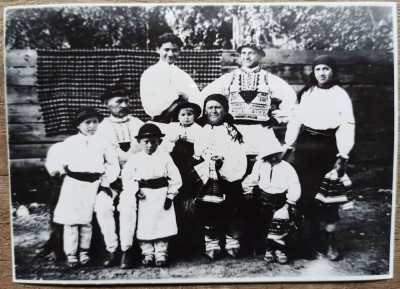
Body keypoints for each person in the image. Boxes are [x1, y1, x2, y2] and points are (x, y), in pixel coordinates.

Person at [284, 55, 356, 260]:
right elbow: (295, 120)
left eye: (326, 69)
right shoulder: (307, 93)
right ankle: (313, 238)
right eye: (318, 69)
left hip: (328, 146)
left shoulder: (340, 95)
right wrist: (288, 146)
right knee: (306, 193)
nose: (322, 73)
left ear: (333, 71)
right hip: (306, 145)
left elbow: (347, 125)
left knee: (329, 193)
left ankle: (330, 240)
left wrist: (342, 154)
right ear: (313, 72)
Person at [45, 107, 120, 268]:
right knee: (71, 221)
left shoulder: (103, 144)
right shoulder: (70, 143)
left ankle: (84, 252)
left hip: (94, 185)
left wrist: (105, 182)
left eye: (95, 122)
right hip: (73, 185)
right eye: (87, 123)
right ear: (78, 125)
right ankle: (71, 254)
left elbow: (113, 165)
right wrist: (57, 169)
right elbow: (57, 158)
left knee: (86, 221)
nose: (92, 126)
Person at [201, 40, 296, 160]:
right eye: (243, 53)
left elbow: (290, 98)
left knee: (265, 164)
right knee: (232, 164)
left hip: (261, 130)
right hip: (235, 129)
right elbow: (206, 94)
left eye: (251, 53)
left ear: (260, 55)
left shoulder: (268, 78)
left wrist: (278, 118)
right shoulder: (230, 78)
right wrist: (217, 116)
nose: (246, 56)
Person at [94, 84, 144, 268]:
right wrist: (104, 182)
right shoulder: (101, 129)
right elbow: (97, 159)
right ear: (107, 104)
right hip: (111, 181)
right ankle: (111, 248)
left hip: (134, 179)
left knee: (128, 206)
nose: (123, 105)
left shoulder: (139, 124)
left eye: (126, 101)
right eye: (118, 102)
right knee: (102, 206)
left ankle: (127, 250)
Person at [121, 123, 182, 267]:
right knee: (145, 225)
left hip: (161, 194)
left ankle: (161, 253)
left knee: (162, 224)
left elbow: (176, 178)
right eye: (146, 142)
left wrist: (170, 196)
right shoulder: (135, 159)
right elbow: (127, 177)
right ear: (139, 142)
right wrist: (136, 190)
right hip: (145, 196)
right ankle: (147, 253)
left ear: (159, 142)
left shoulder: (165, 157)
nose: (149, 145)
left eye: (153, 142)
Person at [194, 94, 247, 260]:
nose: (214, 110)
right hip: (207, 178)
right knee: (209, 207)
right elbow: (198, 154)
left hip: (229, 177)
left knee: (232, 206)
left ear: (225, 110)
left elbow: (239, 157)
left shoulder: (232, 131)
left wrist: (222, 162)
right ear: (205, 111)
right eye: (210, 107)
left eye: (218, 107)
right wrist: (208, 163)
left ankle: (232, 239)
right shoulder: (201, 131)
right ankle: (212, 240)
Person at [242, 142, 301, 264]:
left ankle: (280, 250)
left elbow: (294, 185)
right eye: (270, 156)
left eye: (276, 155)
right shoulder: (260, 165)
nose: (273, 159)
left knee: (280, 224)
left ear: (281, 154)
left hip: (281, 201)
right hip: (264, 199)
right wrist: (247, 190)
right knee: (266, 225)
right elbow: (252, 179)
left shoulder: (287, 168)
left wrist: (289, 202)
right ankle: (269, 249)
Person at [161, 101, 204, 253]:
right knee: (178, 200)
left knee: (191, 202)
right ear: (178, 116)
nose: (186, 118)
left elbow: (200, 145)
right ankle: (178, 243)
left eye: (190, 114)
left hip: (191, 165)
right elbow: (167, 143)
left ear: (195, 116)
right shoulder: (173, 128)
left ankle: (195, 242)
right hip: (176, 163)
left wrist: (196, 158)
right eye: (183, 115)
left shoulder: (199, 129)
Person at [140, 33, 203, 123]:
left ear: (179, 51)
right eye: (166, 50)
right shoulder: (149, 74)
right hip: (160, 123)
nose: (170, 54)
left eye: (174, 50)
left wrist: (186, 99)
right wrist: (177, 95)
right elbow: (150, 107)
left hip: (183, 124)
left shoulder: (183, 76)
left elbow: (197, 100)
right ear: (158, 50)